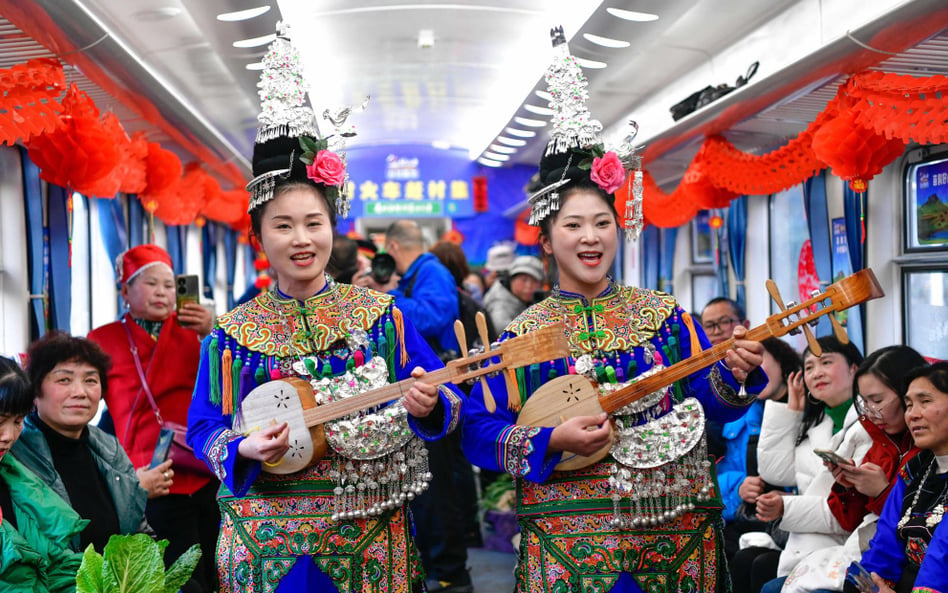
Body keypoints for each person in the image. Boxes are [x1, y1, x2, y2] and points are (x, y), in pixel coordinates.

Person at [461, 28, 766, 593]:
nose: (591, 237)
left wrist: (735, 372)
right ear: (546, 241)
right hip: (570, 542)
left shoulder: (666, 315)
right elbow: (478, 430)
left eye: (602, 223)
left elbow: (709, 411)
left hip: (672, 532)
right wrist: (550, 442)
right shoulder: (521, 336)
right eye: (572, 225)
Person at [186, 26, 461, 593]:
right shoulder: (233, 334)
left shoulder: (383, 316)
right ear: (259, 236)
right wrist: (242, 448)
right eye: (283, 225)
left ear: (333, 230)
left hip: (368, 534)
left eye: (313, 223)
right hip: (264, 540)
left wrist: (428, 399)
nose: (301, 238)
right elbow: (204, 427)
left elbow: (445, 395)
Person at [87, 243, 219, 593]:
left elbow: (231, 382)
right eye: (150, 283)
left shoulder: (196, 331)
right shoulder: (102, 341)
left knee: (216, 567)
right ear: (124, 291)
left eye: (169, 284)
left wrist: (215, 329)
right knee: (169, 578)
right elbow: (84, 401)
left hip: (203, 467)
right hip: (146, 476)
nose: (162, 292)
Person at [12, 332, 153, 553]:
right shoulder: (14, 452)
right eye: (64, 380)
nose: (80, 392)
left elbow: (140, 533)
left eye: (90, 380)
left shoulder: (111, 450)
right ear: (35, 390)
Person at [756, 336, 868, 593]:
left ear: (855, 368)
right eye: (809, 367)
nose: (817, 373)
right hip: (812, 551)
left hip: (846, 551)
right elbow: (774, 472)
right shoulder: (818, 424)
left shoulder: (869, 426)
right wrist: (790, 412)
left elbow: (847, 513)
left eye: (826, 362)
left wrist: (785, 506)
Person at [844, 362, 947, 593]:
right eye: (909, 404)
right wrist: (870, 584)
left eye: (925, 401)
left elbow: (941, 559)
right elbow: (885, 542)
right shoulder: (914, 470)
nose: (913, 414)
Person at [0, 356, 86, 592]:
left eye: (18, 422)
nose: (8, 435)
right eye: (0, 421)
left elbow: (56, 564)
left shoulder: (18, 481)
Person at [721, 337, 801, 583]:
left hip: (791, 520)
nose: (753, 371)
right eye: (746, 366)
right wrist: (739, 487)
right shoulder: (738, 418)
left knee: (755, 564)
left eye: (760, 361)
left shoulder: (806, 410)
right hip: (749, 518)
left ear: (783, 363)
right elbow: (718, 478)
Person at [385, 220, 460, 358]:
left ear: (393, 247)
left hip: (435, 369)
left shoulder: (432, 271)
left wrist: (389, 295)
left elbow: (430, 318)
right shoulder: (410, 275)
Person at [701, 297, 752, 460]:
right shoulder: (699, 374)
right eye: (709, 326)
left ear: (745, 325)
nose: (716, 331)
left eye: (724, 322)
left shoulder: (757, 367)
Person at [482, 255, 544, 332]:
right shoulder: (499, 302)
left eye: (534, 281)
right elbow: (502, 330)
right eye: (524, 280)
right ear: (511, 279)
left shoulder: (524, 298)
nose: (529, 286)